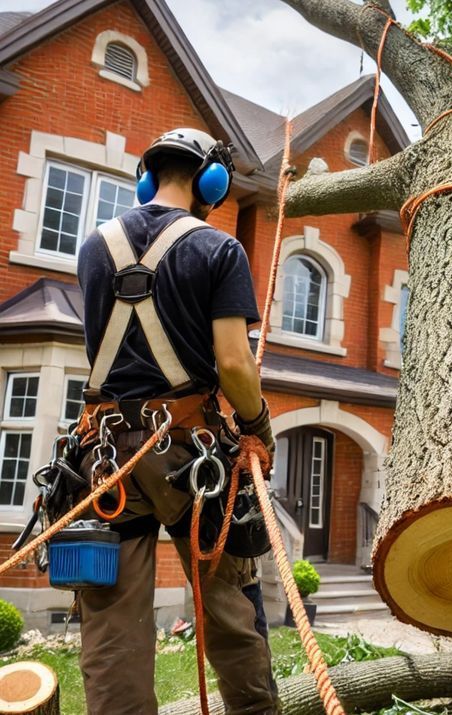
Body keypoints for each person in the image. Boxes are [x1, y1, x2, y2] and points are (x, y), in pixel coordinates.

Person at [75, 128, 279, 714]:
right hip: (193, 456)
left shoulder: (93, 246)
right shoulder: (218, 249)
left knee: (112, 628)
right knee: (231, 610)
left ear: (148, 175)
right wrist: (257, 425)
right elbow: (236, 365)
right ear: (211, 182)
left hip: (107, 458)